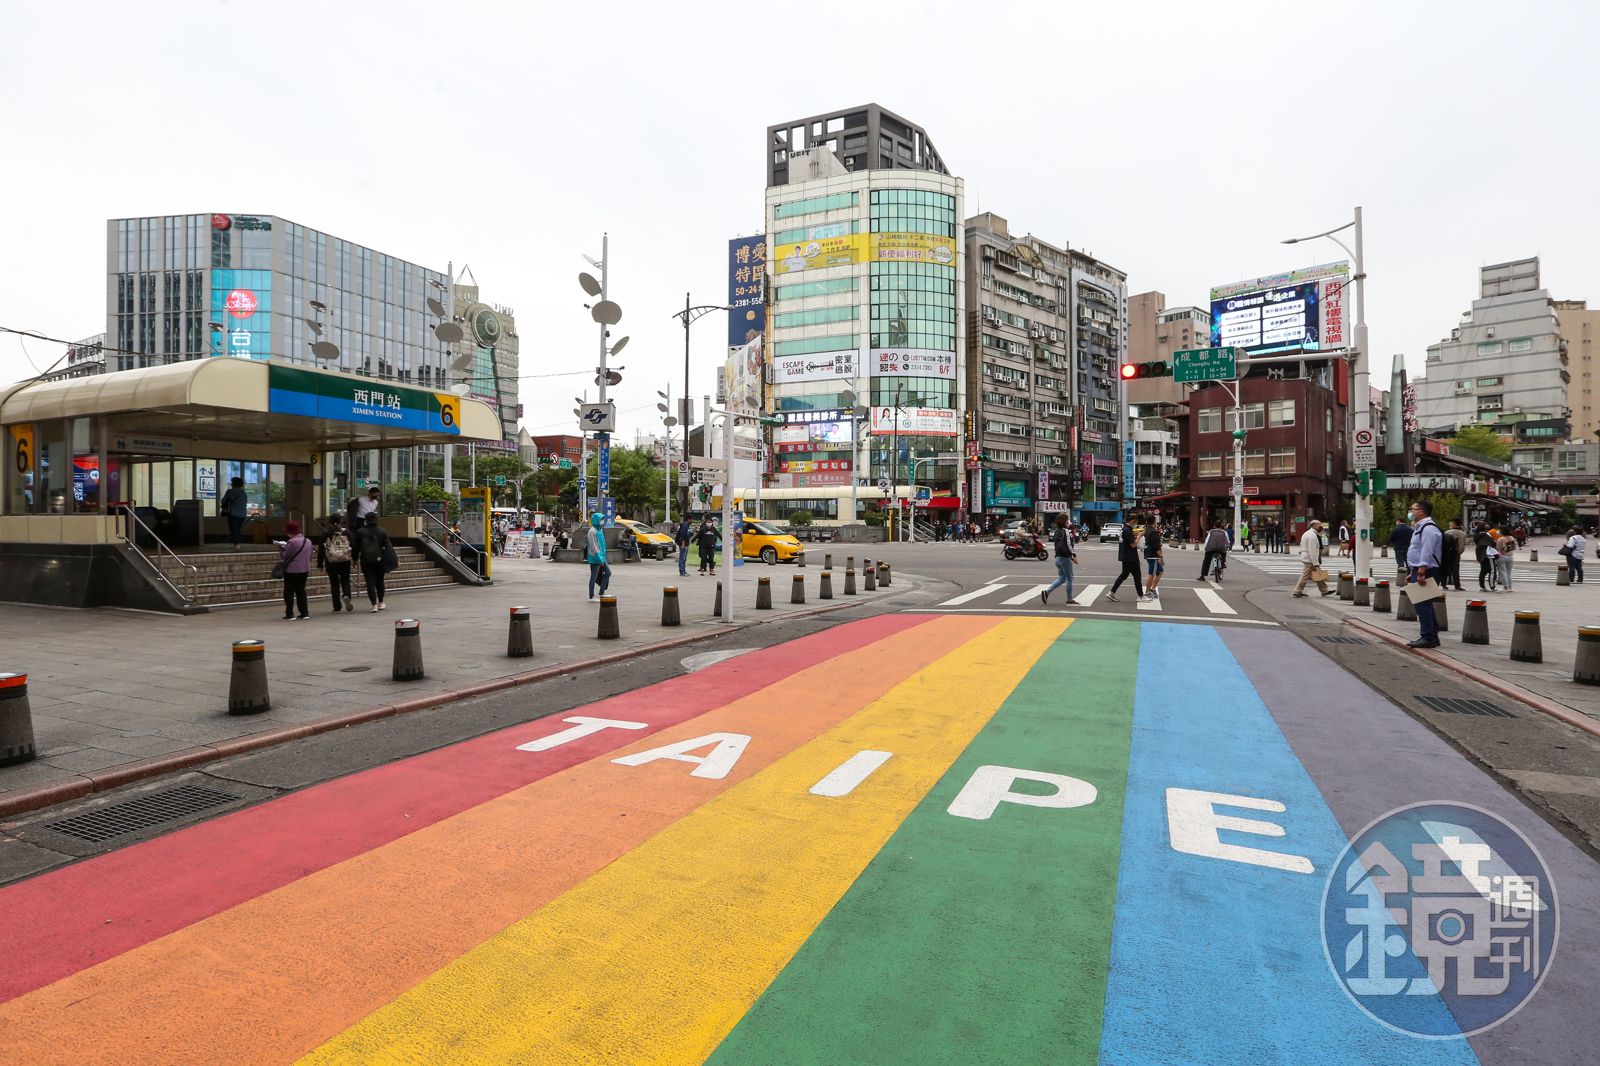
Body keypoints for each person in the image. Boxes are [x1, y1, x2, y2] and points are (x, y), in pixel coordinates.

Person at [1405, 500, 1445, 648]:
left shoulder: (1428, 529)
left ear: (1420, 511)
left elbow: (1427, 551)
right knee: (1423, 603)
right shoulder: (1420, 527)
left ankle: (1428, 636)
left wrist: (1421, 570)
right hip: (1420, 569)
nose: (1411, 512)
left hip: (1427, 570)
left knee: (1423, 605)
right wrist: (1412, 571)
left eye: (1412, 509)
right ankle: (1431, 635)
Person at [353, 512, 394, 612]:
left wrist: (354, 559)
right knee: (380, 582)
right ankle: (381, 602)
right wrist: (393, 561)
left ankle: (374, 604)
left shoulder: (360, 532)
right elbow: (389, 547)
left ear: (365, 520)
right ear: (376, 519)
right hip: (380, 560)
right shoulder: (382, 531)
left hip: (366, 560)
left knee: (370, 582)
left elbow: (356, 548)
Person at [276, 520, 313, 621]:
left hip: (292, 571)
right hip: (304, 570)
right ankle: (304, 613)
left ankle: (290, 614)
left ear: (290, 532)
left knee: (289, 592)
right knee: (301, 591)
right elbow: (310, 556)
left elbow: (285, 556)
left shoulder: (292, 542)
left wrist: (281, 548)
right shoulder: (308, 541)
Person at [317, 514, 355, 614]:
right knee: (345, 580)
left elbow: (321, 550)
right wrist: (355, 559)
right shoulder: (346, 532)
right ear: (340, 521)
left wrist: (320, 564)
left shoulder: (326, 533)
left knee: (334, 584)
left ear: (329, 522)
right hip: (345, 561)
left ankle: (337, 607)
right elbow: (353, 546)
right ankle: (346, 595)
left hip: (331, 561)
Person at [1040, 514, 1079, 606]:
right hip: (1065, 558)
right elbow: (1069, 545)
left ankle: (1046, 592)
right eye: (1067, 520)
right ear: (1064, 522)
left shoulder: (1056, 531)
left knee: (1062, 579)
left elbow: (1059, 545)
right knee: (1069, 579)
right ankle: (1069, 599)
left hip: (1058, 558)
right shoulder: (1066, 531)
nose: (1068, 522)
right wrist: (1074, 555)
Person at [1292, 519, 1335, 597]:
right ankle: (1297, 591)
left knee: (1318, 574)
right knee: (1305, 576)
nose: (1321, 527)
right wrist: (1316, 563)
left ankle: (1324, 590)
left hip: (1307, 558)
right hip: (1310, 559)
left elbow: (1301, 546)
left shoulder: (1307, 533)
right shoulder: (1312, 535)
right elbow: (1312, 551)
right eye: (1319, 525)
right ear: (1314, 526)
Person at [1107, 518, 1144, 601]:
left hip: (1126, 556)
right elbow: (1133, 545)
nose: (1135, 524)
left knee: (1124, 574)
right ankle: (1141, 596)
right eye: (1135, 522)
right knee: (1137, 576)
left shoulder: (1124, 529)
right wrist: (1139, 536)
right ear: (1132, 521)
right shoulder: (1127, 530)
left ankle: (1111, 592)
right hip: (1130, 558)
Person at [585, 512, 611, 600]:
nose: (602, 521)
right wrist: (599, 559)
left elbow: (602, 544)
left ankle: (601, 592)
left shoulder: (599, 530)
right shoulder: (592, 531)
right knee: (594, 576)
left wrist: (602, 557)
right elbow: (594, 546)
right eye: (601, 519)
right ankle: (591, 596)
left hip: (601, 557)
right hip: (595, 557)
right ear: (596, 520)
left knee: (608, 573)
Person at [219, 477, 249, 550]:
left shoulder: (230, 491)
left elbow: (223, 501)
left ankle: (236, 544)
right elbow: (245, 503)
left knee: (234, 529)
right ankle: (237, 543)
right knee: (238, 529)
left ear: (234, 484)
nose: (231, 484)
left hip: (233, 513)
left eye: (232, 482)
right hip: (242, 514)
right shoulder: (243, 493)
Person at [1143, 518, 1165, 602]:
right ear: (1154, 522)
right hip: (1153, 555)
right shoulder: (1154, 532)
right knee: (1152, 573)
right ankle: (1148, 592)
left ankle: (1152, 589)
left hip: (1148, 553)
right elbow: (1156, 547)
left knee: (1160, 572)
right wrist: (1161, 557)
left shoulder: (1147, 530)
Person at [1443, 519, 1467, 591]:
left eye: (1450, 524)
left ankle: (1444, 584)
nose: (1449, 526)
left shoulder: (1447, 532)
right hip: (1457, 554)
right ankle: (1457, 585)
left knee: (1445, 568)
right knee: (1456, 570)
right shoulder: (1463, 534)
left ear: (1454, 524)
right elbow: (1463, 547)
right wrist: (1459, 553)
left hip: (1447, 553)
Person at [1389, 515, 1413, 583]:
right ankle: (1408, 576)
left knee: (1400, 563)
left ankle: (1401, 577)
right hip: (1408, 548)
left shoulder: (1396, 529)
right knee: (1408, 563)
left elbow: (1391, 539)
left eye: (1396, 521)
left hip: (1398, 548)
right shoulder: (1410, 529)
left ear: (1399, 521)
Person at [1472, 522, 1495, 592]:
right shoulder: (1487, 534)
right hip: (1489, 553)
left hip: (1480, 553)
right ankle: (1492, 586)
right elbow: (1493, 543)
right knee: (1492, 570)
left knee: (1483, 570)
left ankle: (1482, 586)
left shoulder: (1477, 535)